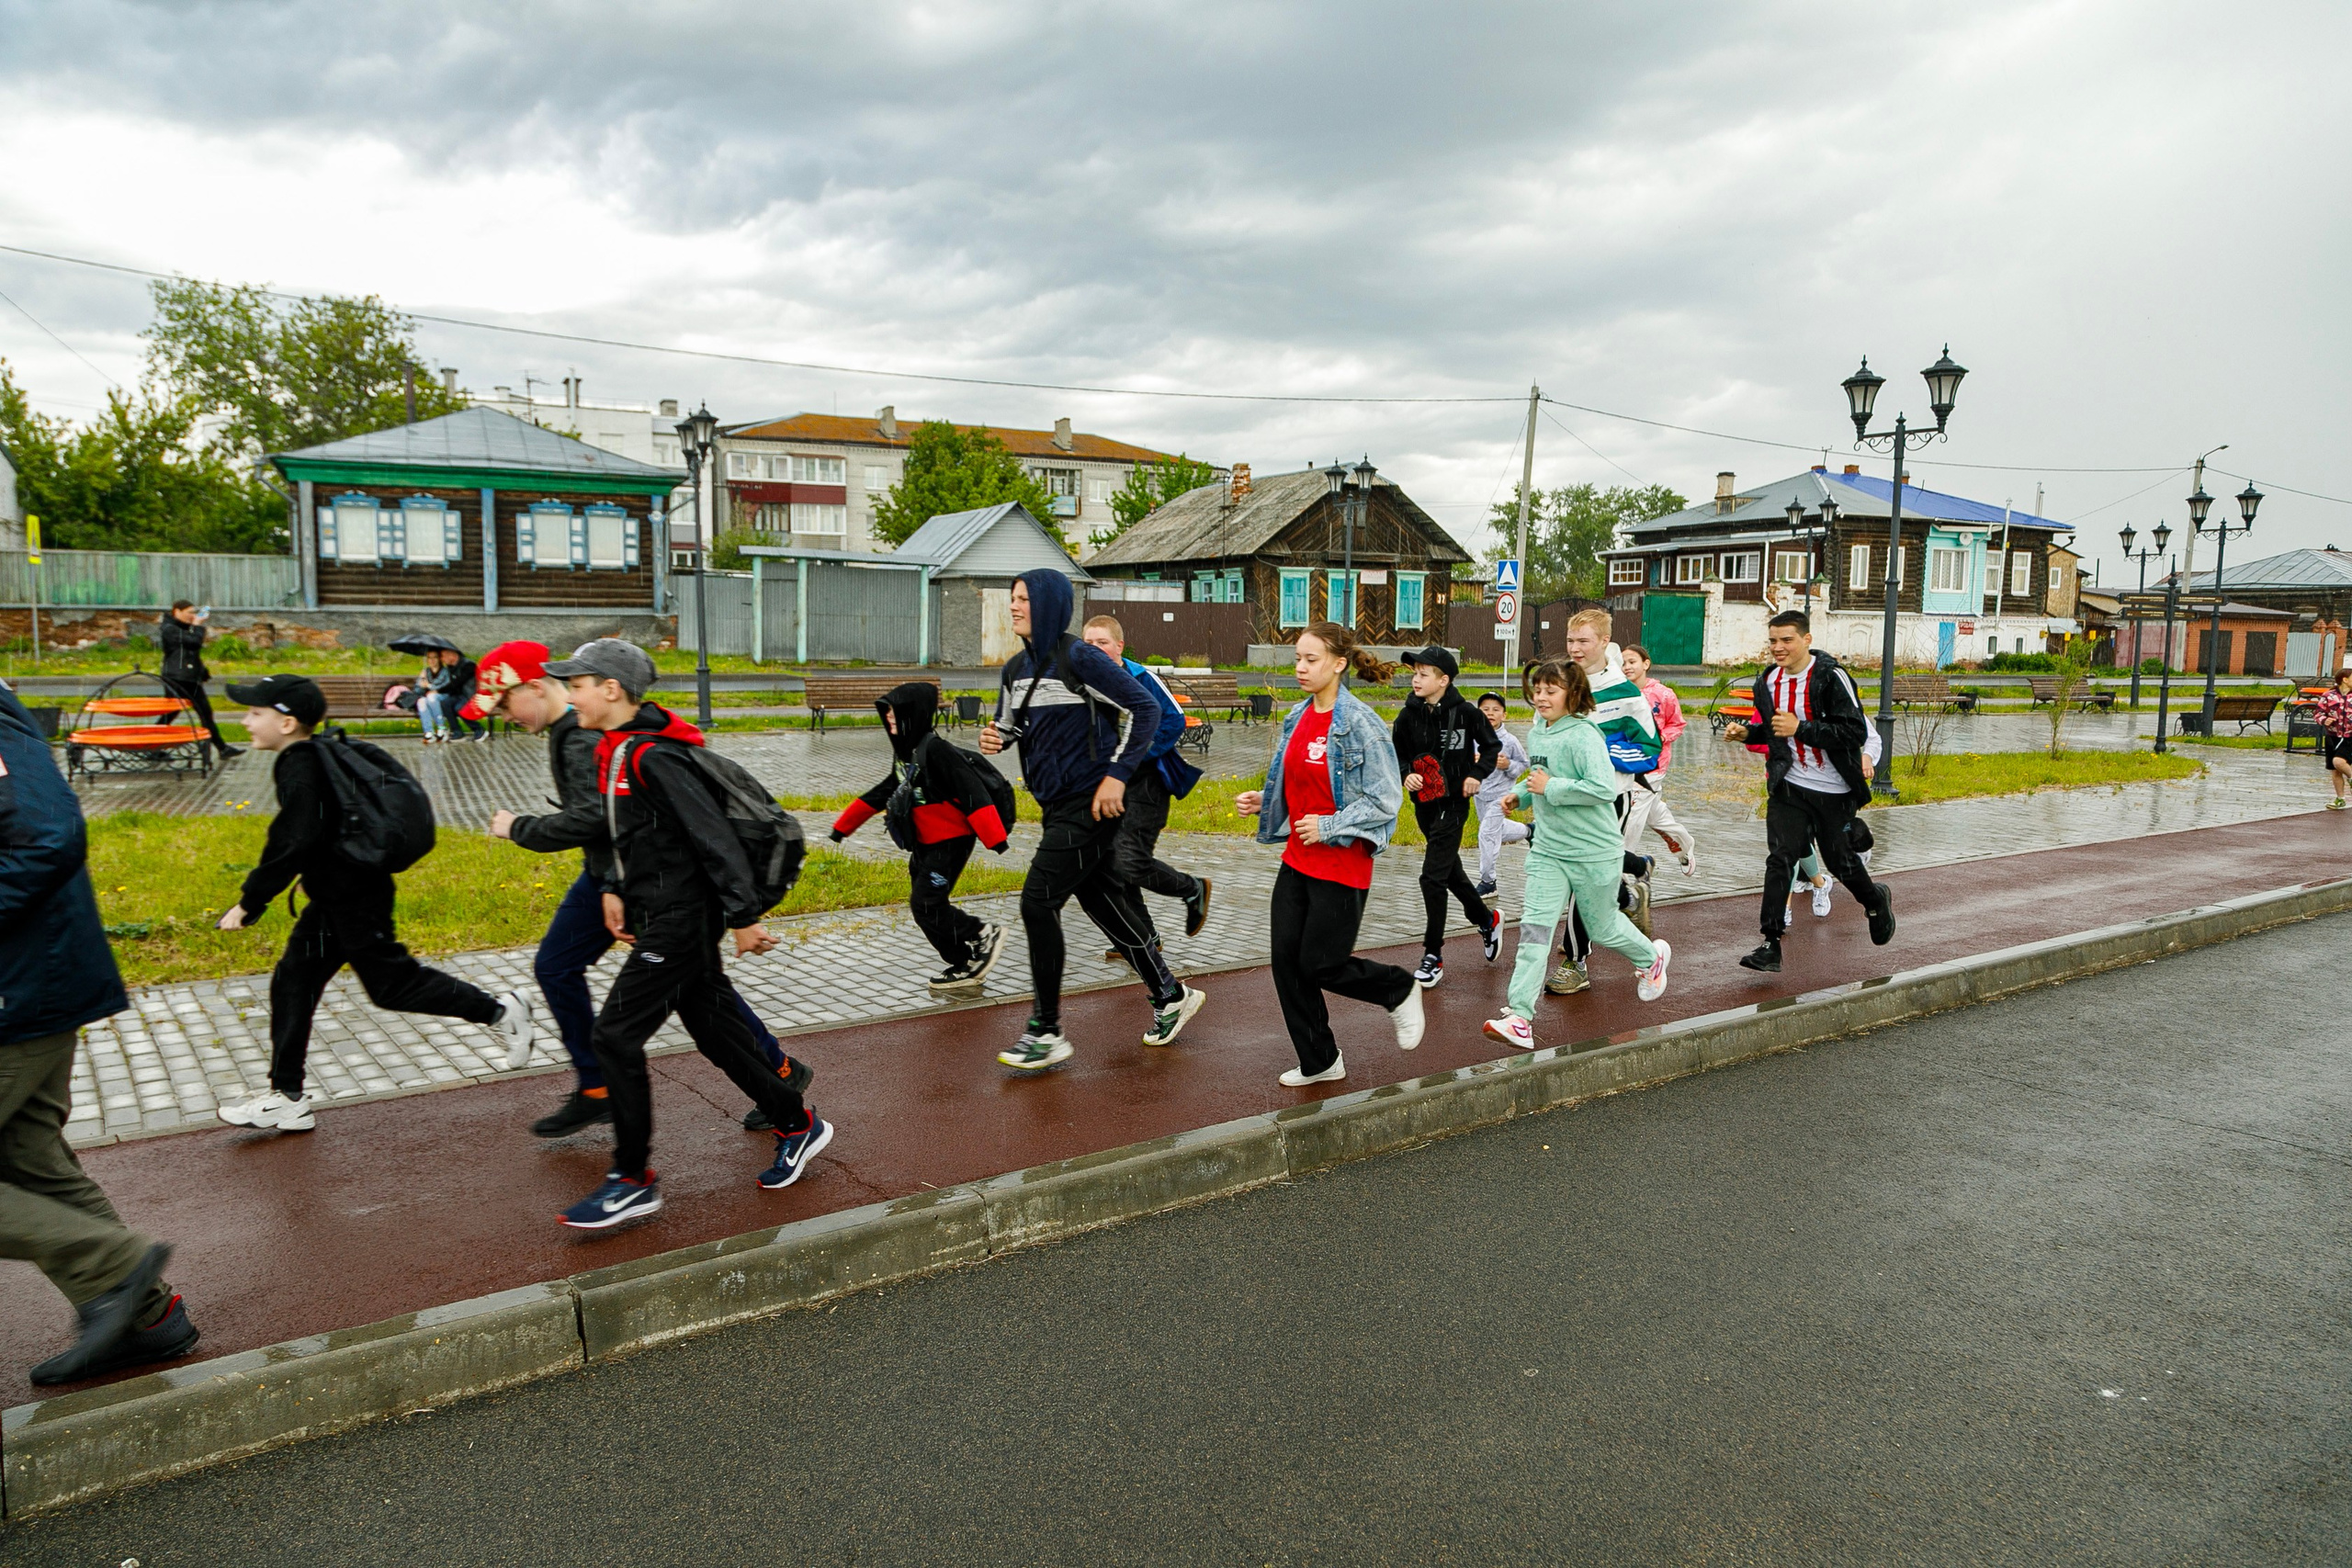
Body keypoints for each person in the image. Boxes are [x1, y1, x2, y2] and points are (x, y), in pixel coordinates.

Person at [475, 641, 809, 1138]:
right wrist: (613, 882)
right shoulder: (591, 733)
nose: (504, 716)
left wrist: (522, 828)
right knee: (699, 991)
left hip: (659, 887)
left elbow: (633, 823)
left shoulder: (600, 740)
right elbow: (618, 822)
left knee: (598, 990)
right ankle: (782, 1086)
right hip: (633, 880)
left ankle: (607, 1103)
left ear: (536, 687)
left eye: (505, 703)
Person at [551, 639, 830, 1227]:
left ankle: (632, 1179)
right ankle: (798, 1122)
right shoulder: (617, 751)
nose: (569, 696)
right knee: (717, 1034)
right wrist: (615, 889)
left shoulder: (655, 757)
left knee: (614, 1037)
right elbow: (631, 837)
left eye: (577, 685)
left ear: (611, 689)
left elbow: (713, 838)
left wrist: (743, 917)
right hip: (661, 915)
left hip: (682, 920)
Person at [211, 674, 535, 1134]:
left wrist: (251, 901)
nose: (246, 721)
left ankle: (502, 1011)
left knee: (392, 987)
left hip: (354, 898)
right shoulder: (317, 753)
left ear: (286, 723)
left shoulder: (300, 762)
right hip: (337, 895)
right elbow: (320, 830)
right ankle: (287, 1097)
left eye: (255, 713)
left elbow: (293, 837)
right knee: (292, 981)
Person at [0, 684, 202, 1386]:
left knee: (28, 1159)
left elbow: (47, 835)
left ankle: (114, 1263)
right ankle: (145, 1318)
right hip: (26, 984)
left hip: (18, 988)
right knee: (28, 1158)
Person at [979, 570, 1205, 1071]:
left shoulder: (1078, 657)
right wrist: (996, 737)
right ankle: (1171, 995)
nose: (1014, 606)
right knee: (1104, 903)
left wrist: (1117, 776)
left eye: (1023, 599)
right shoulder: (1015, 667)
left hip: (1090, 805)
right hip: (1055, 807)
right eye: (1012, 598)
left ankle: (1046, 1030)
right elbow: (1012, 725)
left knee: (1038, 902)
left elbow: (1145, 709)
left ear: (1049, 604)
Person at [1236, 623, 1424, 1087]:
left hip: (1342, 861)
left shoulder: (1361, 724)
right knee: (1287, 964)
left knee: (1322, 964)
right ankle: (1320, 1060)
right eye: (1298, 659)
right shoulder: (1297, 715)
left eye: (1311, 659)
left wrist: (1327, 825)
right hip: (1297, 860)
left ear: (1339, 664)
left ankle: (1398, 988)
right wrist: (1267, 800)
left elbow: (1385, 799)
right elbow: (1302, 780)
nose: (1300, 668)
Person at [1484, 658, 1670, 1050]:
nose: (1541, 698)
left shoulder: (1584, 734)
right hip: (1549, 850)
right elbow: (1539, 774)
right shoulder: (1540, 728)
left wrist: (1550, 787)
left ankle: (1649, 959)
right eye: (1537, 690)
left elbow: (1602, 788)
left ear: (1573, 694)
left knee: (1602, 928)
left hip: (1593, 851)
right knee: (1535, 928)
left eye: (1550, 691)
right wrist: (1519, 795)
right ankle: (1520, 1017)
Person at [1724, 610, 1895, 973]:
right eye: (1773, 640)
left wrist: (1801, 728)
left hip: (1834, 789)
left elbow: (1854, 732)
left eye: (1787, 639)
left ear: (1806, 640)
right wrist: (1748, 733)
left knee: (1839, 861)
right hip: (1789, 786)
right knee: (1780, 857)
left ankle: (1875, 900)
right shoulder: (1768, 681)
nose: (1778, 647)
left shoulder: (1830, 677)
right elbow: (1776, 731)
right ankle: (1770, 943)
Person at [827, 679, 1011, 995]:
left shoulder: (937, 750)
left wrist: (995, 839)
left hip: (950, 842)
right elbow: (884, 791)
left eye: (894, 713)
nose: (888, 718)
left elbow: (973, 792)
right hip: (924, 844)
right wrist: (842, 827)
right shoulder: (905, 753)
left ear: (913, 714)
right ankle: (964, 962)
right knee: (925, 908)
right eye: (886, 713)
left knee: (926, 904)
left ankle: (983, 933)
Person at [1079, 615, 1213, 955]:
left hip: (1147, 782)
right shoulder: (1080, 681)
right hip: (1106, 786)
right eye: (1088, 643)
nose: (1094, 649)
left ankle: (1192, 888)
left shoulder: (1141, 677)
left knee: (1129, 860)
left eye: (1102, 643)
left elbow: (1174, 720)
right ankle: (1143, 937)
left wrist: (1133, 757)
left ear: (1119, 646)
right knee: (1112, 861)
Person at [1546, 608, 1662, 996]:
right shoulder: (1560, 683)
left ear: (1603, 642)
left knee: (1583, 881)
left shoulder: (1625, 692)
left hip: (1608, 798)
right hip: (1565, 798)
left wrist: (1603, 753)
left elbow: (1650, 748)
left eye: (1584, 641)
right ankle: (1630, 889)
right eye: (1570, 640)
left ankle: (1576, 962)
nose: (1575, 648)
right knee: (1579, 876)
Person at [1391, 646, 1504, 988]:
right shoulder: (1407, 716)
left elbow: (1491, 747)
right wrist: (1406, 773)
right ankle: (1486, 919)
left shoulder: (1467, 713)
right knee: (1449, 872)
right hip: (1424, 806)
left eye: (1423, 674)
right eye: (1414, 673)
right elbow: (1397, 755)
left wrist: (1476, 775)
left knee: (1431, 878)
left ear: (1443, 680)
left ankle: (1433, 955)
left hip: (1455, 805)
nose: (1416, 679)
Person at [1786, 724, 1881, 923]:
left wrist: (1867, 757)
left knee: (1837, 843)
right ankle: (1805, 883)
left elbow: (1873, 739)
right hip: (1803, 788)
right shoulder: (1793, 711)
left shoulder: (1842, 710)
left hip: (1839, 790)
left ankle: (1859, 845)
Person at [1618, 644, 1696, 876]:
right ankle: (1684, 845)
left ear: (1646, 664)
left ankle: (1622, 868)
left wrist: (1659, 738)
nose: (1627, 667)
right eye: (1623, 663)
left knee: (1631, 815)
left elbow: (1677, 724)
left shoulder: (1663, 694)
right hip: (1624, 764)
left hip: (1652, 766)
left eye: (1632, 662)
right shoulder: (1619, 692)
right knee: (1655, 815)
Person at [157, 600, 241, 758]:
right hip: (179, 677)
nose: (192, 615)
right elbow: (194, 643)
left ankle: (222, 748)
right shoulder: (169, 629)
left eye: (194, 612)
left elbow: (190, 652)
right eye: (189, 612)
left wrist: (202, 671)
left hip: (185, 676)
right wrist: (197, 626)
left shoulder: (179, 627)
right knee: (200, 712)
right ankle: (222, 748)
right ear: (177, 612)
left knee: (182, 713)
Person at [1472, 690, 1530, 897]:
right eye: (1485, 709)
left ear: (1504, 715)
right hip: (1480, 794)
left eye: (1496, 709)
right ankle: (1530, 831)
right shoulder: (1473, 737)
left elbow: (1524, 764)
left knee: (1487, 834)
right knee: (1497, 830)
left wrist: (1508, 765)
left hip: (1501, 796)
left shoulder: (1510, 741)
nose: (1490, 713)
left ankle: (1488, 882)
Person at [416, 649, 484, 744]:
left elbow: (454, 684)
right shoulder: (449, 667)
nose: (442, 659)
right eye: (429, 658)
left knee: (458, 707)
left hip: (469, 695)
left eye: (441, 657)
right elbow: (418, 690)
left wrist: (432, 687)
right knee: (442, 703)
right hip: (456, 695)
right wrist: (423, 680)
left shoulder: (467, 665)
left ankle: (478, 729)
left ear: (452, 655)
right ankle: (454, 732)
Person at [2316, 667, 2352, 808]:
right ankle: (2340, 799)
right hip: (2332, 737)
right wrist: (2325, 720)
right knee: (2335, 770)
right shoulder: (2328, 696)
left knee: (2339, 762)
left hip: (2349, 737)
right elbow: (2318, 713)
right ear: (2345, 679)